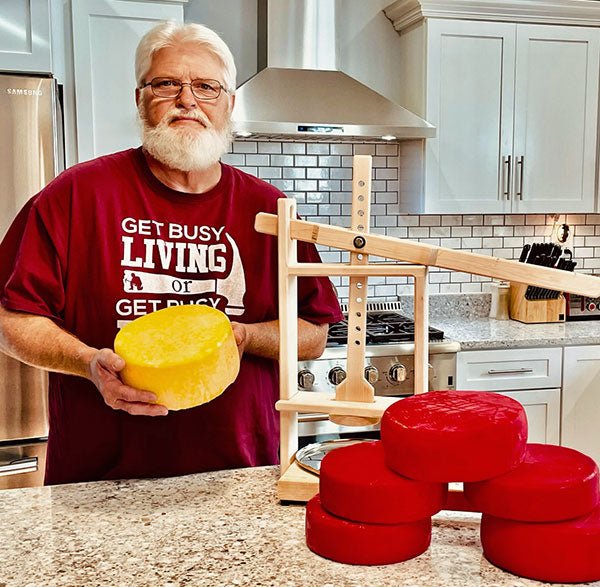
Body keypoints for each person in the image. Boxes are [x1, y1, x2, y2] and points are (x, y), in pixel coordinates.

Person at [0, 22, 342, 485]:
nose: (188, 100)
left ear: (229, 104)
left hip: (242, 475)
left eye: (206, 86)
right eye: (166, 84)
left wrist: (242, 337)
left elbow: (313, 334)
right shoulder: (75, 196)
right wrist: (87, 363)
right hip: (100, 482)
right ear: (139, 99)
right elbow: (12, 319)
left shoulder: (269, 209)